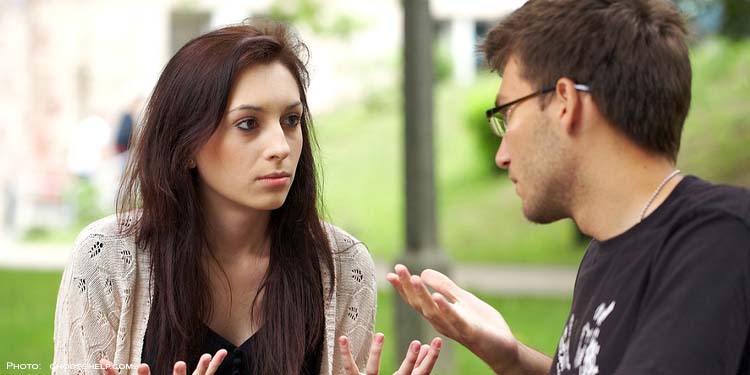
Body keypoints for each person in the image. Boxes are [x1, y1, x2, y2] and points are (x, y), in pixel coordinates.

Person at [53, 20, 440, 375]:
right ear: (186, 144)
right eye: (248, 124)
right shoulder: (106, 259)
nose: (281, 147)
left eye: (291, 120)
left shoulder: (340, 266)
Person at [389, 0, 750, 374]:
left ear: (566, 102)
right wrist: (511, 359)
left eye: (508, 112)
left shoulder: (721, 239)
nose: (502, 156)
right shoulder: (606, 252)